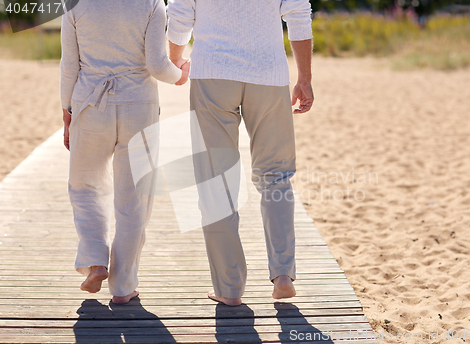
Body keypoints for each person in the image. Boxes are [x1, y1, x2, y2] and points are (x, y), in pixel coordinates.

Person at [166, 0, 314, 306]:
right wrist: (305, 78)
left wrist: (175, 60)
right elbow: (298, 13)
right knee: (276, 176)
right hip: (268, 75)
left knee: (215, 180)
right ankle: (283, 274)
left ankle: (229, 287)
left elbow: (180, 15)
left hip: (212, 74)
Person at [60, 0, 189, 304]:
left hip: (90, 104)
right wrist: (180, 75)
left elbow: (69, 65)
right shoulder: (152, 4)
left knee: (84, 186)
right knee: (134, 198)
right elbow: (157, 65)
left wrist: (67, 110)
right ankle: (122, 287)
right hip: (138, 105)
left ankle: (95, 261)